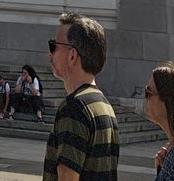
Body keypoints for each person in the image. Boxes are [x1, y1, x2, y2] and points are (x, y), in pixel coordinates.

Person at [38, 13, 119, 181]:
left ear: (72, 55)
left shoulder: (74, 107)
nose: (49, 53)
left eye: (53, 46)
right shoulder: (103, 104)